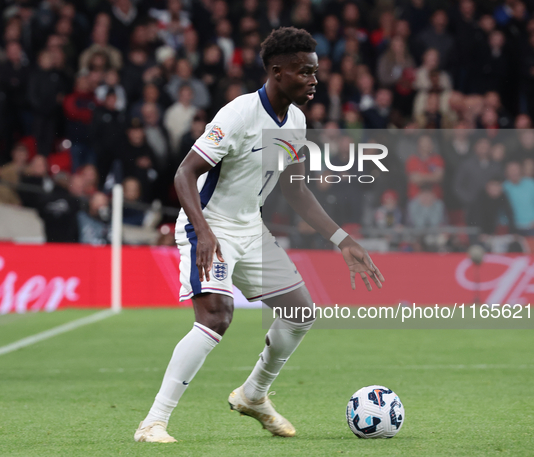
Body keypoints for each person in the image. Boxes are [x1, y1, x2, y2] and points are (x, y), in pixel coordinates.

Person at [134, 26, 384, 444]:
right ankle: (153, 423)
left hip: (251, 227)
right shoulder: (238, 114)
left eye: (316, 72)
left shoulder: (298, 121)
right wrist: (204, 231)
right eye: (304, 72)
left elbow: (295, 190)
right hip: (209, 226)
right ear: (277, 71)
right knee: (216, 316)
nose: (313, 80)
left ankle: (254, 394)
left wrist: (343, 239)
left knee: (301, 313)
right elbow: (184, 174)